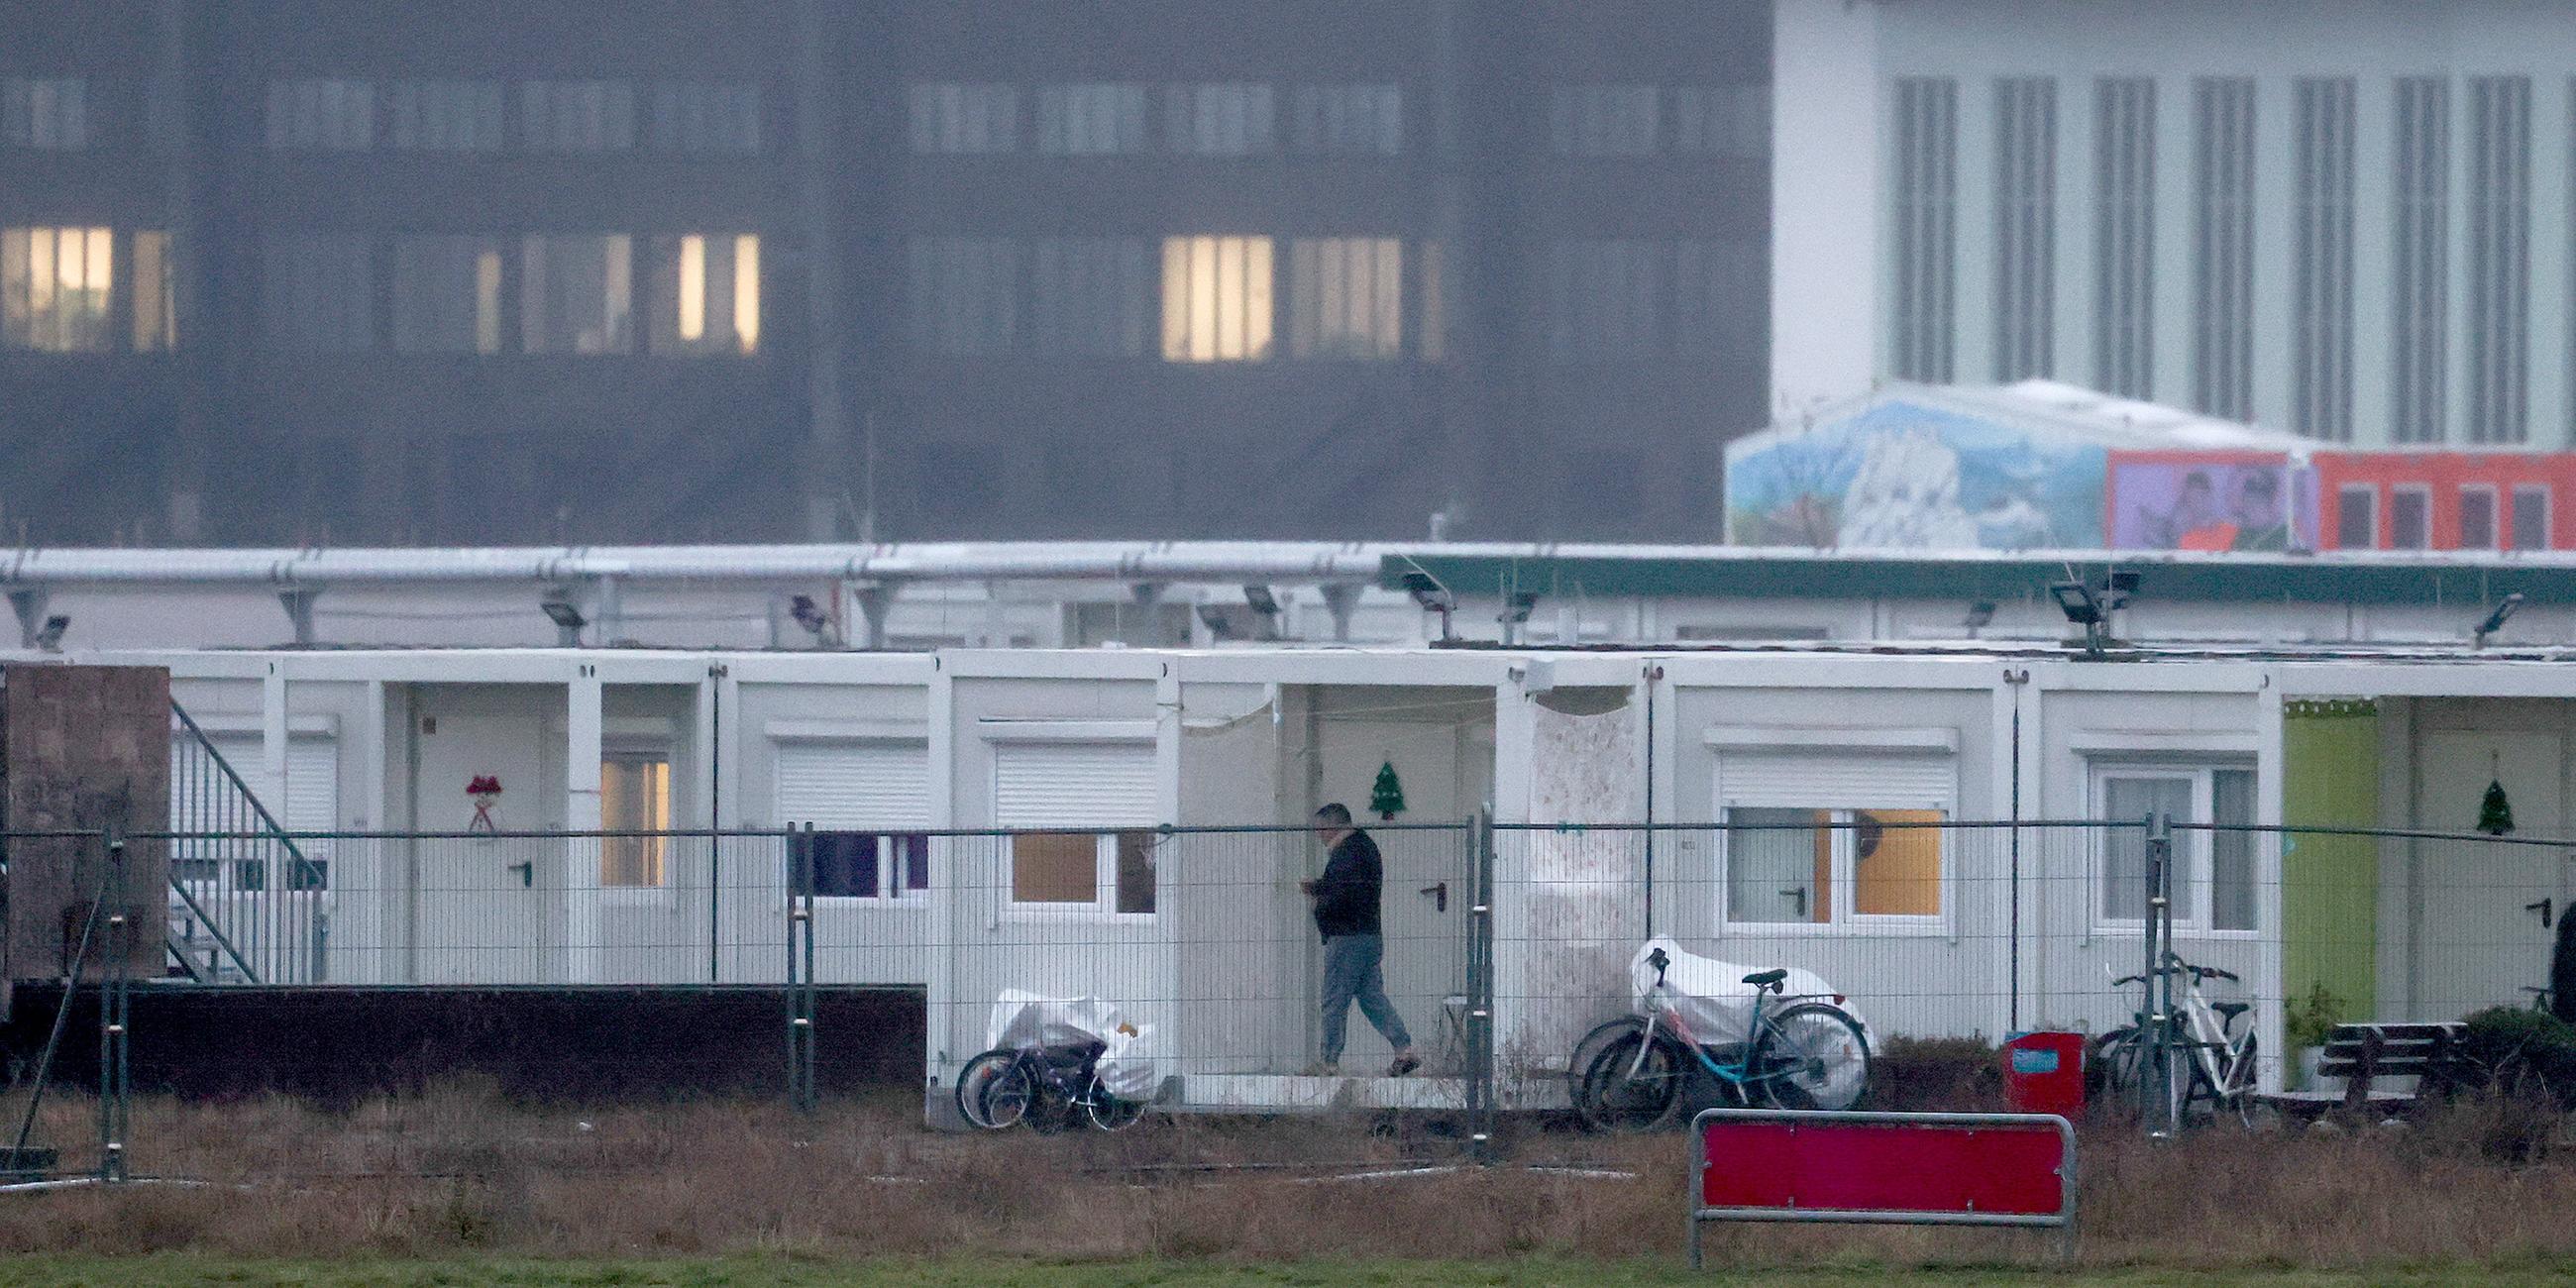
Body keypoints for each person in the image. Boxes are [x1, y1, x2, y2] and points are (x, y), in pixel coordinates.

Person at [1300, 803, 1421, 1077]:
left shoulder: (1345, 854)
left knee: (1334, 998)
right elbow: (1352, 888)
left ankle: (1328, 1061)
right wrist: (1320, 887)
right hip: (1369, 935)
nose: (1318, 835)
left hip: (1346, 938)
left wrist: (1317, 898)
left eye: (1319, 830)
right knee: (1371, 997)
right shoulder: (1365, 847)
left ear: (1331, 827)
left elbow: (1341, 895)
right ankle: (1404, 1049)